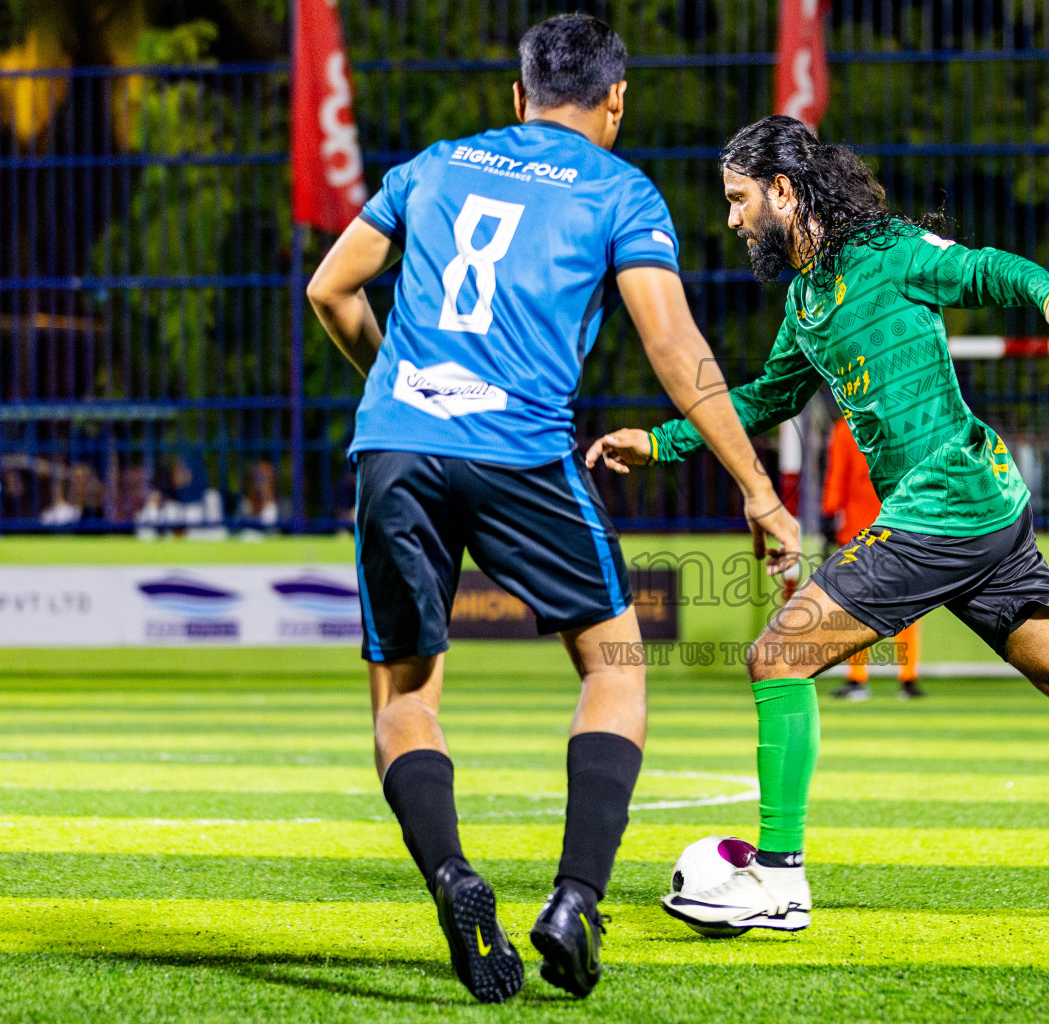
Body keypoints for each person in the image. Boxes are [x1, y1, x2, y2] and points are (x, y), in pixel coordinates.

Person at [588, 115, 1049, 935]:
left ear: (785, 192)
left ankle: (779, 879)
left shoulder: (889, 254)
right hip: (979, 507)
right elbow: (763, 399)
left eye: (739, 199)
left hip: (946, 503)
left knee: (778, 657)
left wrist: (1047, 287)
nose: (730, 219)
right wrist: (660, 441)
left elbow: (978, 268)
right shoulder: (807, 301)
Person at [306, 16, 799, 1004]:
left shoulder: (434, 167)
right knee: (615, 663)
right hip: (521, 448)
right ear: (615, 102)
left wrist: (399, 391)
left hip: (397, 442)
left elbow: (332, 286)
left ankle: (452, 876)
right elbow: (674, 345)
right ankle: (575, 898)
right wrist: (755, 485)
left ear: (516, 93)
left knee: (406, 694)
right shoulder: (620, 191)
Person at [823, 416, 922, 699]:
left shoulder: (846, 428)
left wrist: (830, 513)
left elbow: (838, 474)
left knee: (857, 607)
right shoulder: (904, 425)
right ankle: (908, 678)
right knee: (908, 602)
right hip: (901, 527)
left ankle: (857, 679)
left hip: (859, 530)